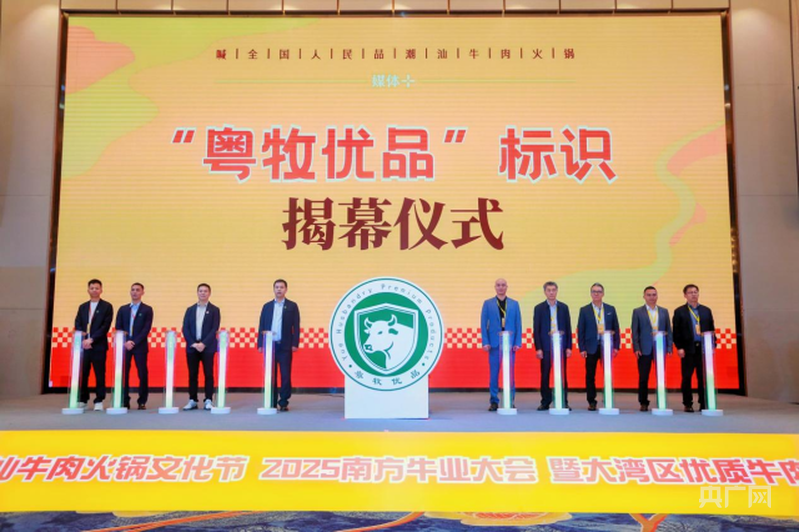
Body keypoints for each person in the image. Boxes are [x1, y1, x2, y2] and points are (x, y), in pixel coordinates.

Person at [257, 279, 300, 412]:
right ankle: (271, 401)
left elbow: (296, 326)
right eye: (277, 287)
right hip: (270, 346)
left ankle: (283, 402)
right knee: (271, 375)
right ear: (274, 289)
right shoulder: (267, 306)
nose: (279, 289)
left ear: (286, 289)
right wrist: (260, 344)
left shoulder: (292, 306)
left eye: (281, 287)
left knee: (285, 375)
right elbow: (261, 326)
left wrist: (295, 343)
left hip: (285, 346)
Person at [480, 278, 523, 411]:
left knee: (510, 374)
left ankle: (510, 400)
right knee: (494, 374)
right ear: (495, 287)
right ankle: (494, 401)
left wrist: (517, 342)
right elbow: (483, 324)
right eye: (498, 285)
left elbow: (518, 324)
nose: (501, 287)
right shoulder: (488, 303)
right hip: (494, 344)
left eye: (503, 285)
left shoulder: (514, 304)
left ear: (507, 287)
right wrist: (485, 342)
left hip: (510, 345)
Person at [577, 283, 621, 411]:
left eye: (599, 291)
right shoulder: (584, 310)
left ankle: (608, 398)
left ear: (603, 294)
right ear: (591, 294)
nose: (596, 294)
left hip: (607, 347)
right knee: (590, 375)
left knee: (607, 374)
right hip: (590, 347)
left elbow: (616, 328)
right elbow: (581, 331)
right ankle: (592, 401)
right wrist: (582, 348)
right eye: (594, 291)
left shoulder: (610, 309)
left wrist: (616, 346)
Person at [672, 284, 716, 412]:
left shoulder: (706, 310)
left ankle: (704, 403)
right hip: (687, 349)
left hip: (703, 349)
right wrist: (679, 347)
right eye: (690, 292)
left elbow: (711, 328)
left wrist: (713, 344)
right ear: (685, 295)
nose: (693, 294)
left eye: (695, 292)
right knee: (687, 377)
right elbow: (676, 331)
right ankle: (688, 403)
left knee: (703, 377)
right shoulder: (679, 311)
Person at [631, 286, 673, 411]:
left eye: (654, 294)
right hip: (644, 349)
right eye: (649, 295)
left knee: (660, 376)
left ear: (657, 296)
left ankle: (661, 401)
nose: (651, 297)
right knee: (643, 377)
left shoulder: (664, 311)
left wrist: (669, 346)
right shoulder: (637, 311)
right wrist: (636, 347)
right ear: (644, 297)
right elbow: (635, 331)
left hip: (660, 348)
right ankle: (643, 402)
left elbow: (669, 330)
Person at [74, 279, 114, 411]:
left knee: (99, 373)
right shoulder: (83, 307)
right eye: (92, 288)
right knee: (83, 373)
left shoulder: (107, 306)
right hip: (83, 346)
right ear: (88, 290)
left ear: (101, 290)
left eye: (97, 288)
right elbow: (78, 323)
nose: (94, 290)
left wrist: (92, 340)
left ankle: (99, 400)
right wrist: (84, 339)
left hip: (98, 346)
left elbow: (105, 326)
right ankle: (82, 399)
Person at [533, 281, 572, 411]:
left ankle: (563, 401)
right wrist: (538, 348)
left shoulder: (564, 307)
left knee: (562, 374)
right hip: (545, 347)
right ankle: (545, 401)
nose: (551, 292)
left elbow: (568, 328)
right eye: (549, 290)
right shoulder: (539, 308)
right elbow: (537, 329)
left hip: (561, 346)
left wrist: (569, 347)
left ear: (557, 291)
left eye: (553, 290)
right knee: (545, 375)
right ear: (545, 292)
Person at [181, 283, 221, 411]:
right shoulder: (190, 309)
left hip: (207, 347)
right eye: (200, 291)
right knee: (193, 374)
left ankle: (208, 400)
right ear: (197, 293)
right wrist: (193, 343)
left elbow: (214, 328)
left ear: (209, 293)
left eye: (205, 291)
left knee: (208, 374)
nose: (203, 293)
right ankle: (192, 400)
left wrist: (203, 344)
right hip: (192, 347)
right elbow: (185, 328)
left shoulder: (215, 310)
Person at [115, 282, 153, 410]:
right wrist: (126, 341)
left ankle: (142, 401)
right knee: (123, 374)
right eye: (133, 290)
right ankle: (124, 400)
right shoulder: (123, 309)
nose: (135, 292)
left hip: (140, 346)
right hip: (125, 346)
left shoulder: (147, 309)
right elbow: (118, 327)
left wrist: (134, 342)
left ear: (142, 292)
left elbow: (146, 329)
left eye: (138, 290)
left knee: (142, 373)